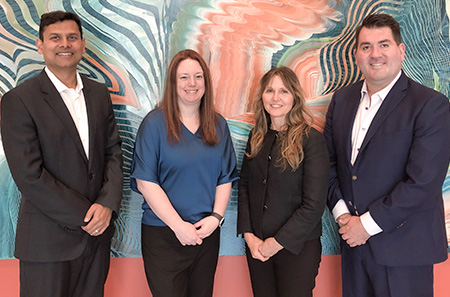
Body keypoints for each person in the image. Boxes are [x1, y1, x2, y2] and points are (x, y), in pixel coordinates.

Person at [324, 13, 450, 297]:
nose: (375, 54)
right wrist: (343, 215)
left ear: (401, 51)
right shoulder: (342, 100)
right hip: (354, 246)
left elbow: (424, 181)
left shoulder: (430, 105)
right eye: (366, 46)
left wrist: (366, 226)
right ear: (356, 54)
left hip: (404, 249)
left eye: (384, 44)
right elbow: (328, 164)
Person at [1, 11, 123, 297]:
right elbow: (29, 175)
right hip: (47, 244)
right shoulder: (19, 100)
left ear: (82, 44)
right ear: (40, 45)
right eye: (55, 38)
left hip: (96, 241)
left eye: (71, 37)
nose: (64, 44)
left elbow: (113, 152)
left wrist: (106, 205)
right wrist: (86, 215)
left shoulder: (98, 93)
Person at [130, 49, 238, 297]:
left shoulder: (218, 124)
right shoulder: (154, 124)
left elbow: (225, 177)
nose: (192, 83)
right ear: (173, 83)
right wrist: (179, 226)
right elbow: (146, 183)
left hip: (206, 233)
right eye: (184, 77)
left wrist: (216, 218)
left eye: (198, 77)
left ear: (206, 82)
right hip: (164, 235)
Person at [237, 67, 330, 297]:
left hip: (297, 249)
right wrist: (250, 237)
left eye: (284, 91)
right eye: (270, 90)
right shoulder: (256, 138)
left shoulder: (311, 140)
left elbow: (314, 205)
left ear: (295, 98)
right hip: (257, 249)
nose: (276, 98)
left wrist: (275, 244)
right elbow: (245, 187)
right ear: (262, 97)